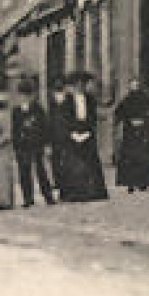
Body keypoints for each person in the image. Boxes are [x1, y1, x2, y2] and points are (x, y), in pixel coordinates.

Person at [56, 71, 109, 202]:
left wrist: (87, 133)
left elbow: (92, 118)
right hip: (72, 134)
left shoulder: (90, 100)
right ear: (73, 86)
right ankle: (73, 193)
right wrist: (72, 134)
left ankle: (94, 192)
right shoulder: (66, 101)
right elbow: (63, 120)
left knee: (90, 162)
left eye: (82, 84)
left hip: (87, 133)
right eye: (77, 84)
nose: (80, 87)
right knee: (72, 163)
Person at [10, 79, 56, 207]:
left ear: (32, 95)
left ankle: (48, 196)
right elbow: (14, 129)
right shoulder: (16, 111)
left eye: (27, 95)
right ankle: (28, 198)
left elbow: (44, 127)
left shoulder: (38, 109)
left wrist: (46, 143)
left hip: (36, 143)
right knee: (24, 172)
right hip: (22, 145)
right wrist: (16, 145)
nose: (25, 98)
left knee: (41, 170)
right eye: (22, 95)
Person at [112, 76, 149, 193]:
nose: (135, 87)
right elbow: (119, 112)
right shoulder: (126, 99)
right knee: (130, 158)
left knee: (143, 156)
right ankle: (130, 183)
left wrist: (144, 121)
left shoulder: (146, 99)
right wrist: (126, 121)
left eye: (137, 85)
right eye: (133, 85)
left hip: (143, 132)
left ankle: (143, 182)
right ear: (130, 87)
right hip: (130, 132)